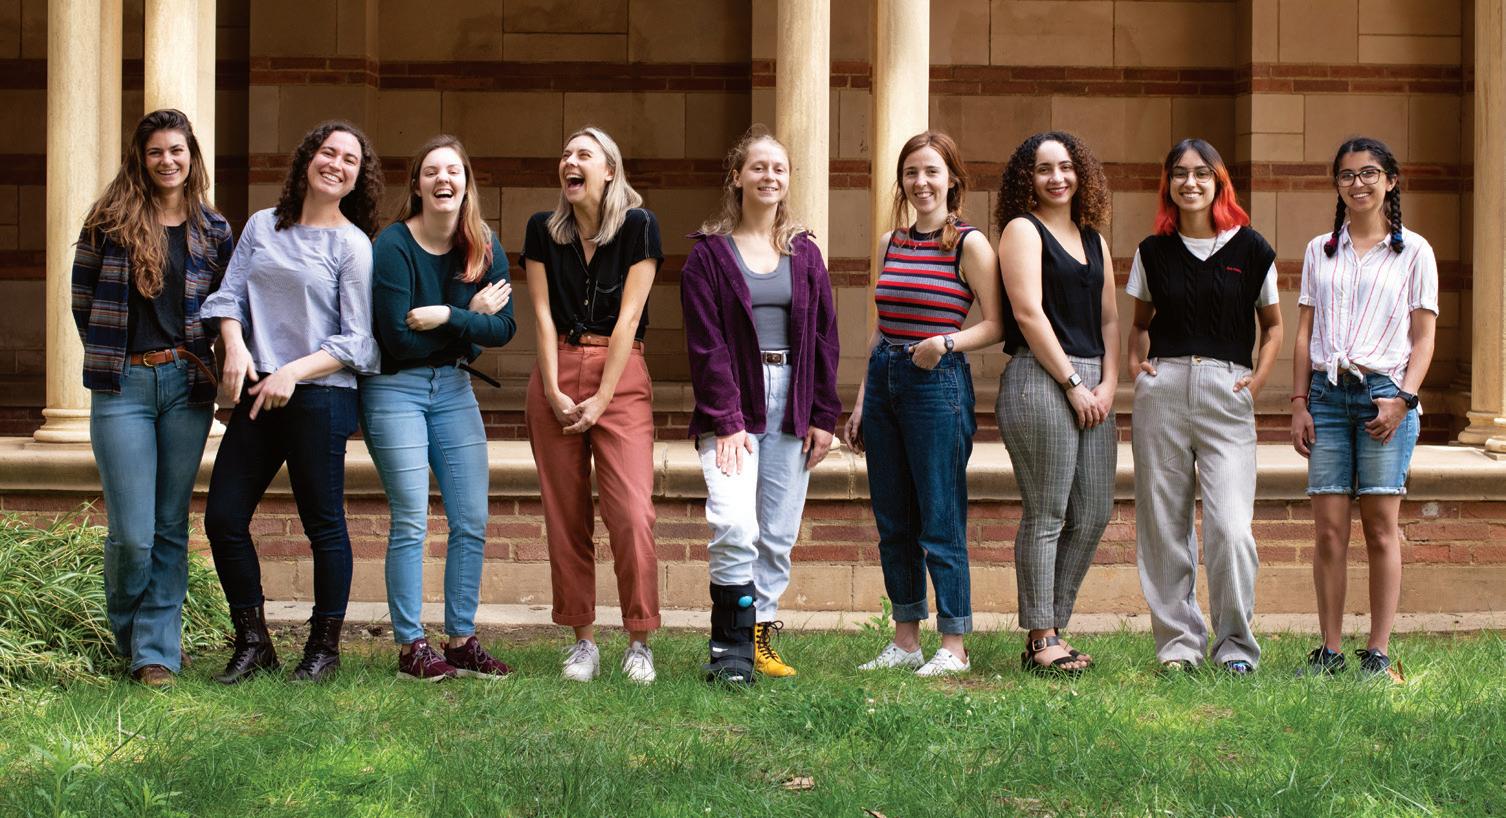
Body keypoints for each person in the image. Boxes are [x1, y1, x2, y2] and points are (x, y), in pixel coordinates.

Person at [201, 121, 382, 684]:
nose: (336, 164)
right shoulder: (262, 225)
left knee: (323, 525)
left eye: (349, 160)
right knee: (223, 517)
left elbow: (359, 341)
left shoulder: (352, 245)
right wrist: (235, 344)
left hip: (321, 398)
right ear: (307, 159)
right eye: (328, 152)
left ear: (357, 178)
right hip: (259, 392)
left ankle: (323, 650)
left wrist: (292, 372)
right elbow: (229, 296)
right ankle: (254, 642)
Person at [72, 109, 233, 687]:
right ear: (141, 159)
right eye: (156, 151)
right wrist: (110, 355)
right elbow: (82, 300)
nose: (168, 160)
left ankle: (155, 652)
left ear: (192, 156)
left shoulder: (213, 230)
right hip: (125, 387)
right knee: (133, 534)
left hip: (186, 386)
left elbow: (225, 306)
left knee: (170, 525)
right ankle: (132, 635)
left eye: (177, 150)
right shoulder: (109, 220)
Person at [681, 127, 840, 684]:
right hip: (734, 400)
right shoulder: (708, 257)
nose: (769, 176)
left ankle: (760, 638)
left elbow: (824, 338)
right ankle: (729, 649)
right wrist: (726, 420)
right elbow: (706, 346)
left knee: (777, 534)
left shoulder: (805, 254)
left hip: (793, 398)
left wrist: (823, 415)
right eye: (758, 166)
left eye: (779, 168)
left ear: (788, 181)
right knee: (733, 522)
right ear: (737, 177)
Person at [845, 131, 1003, 678]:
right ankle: (906, 639)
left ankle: (954, 645)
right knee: (893, 519)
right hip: (885, 380)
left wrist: (946, 343)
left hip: (937, 385)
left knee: (939, 517)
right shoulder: (891, 242)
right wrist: (863, 399)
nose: (921, 182)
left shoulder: (969, 245)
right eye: (911, 172)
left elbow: (997, 323)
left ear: (952, 179)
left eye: (932, 171)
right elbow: (880, 325)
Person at [364, 135, 517, 682]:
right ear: (417, 185)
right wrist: (470, 317)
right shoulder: (393, 246)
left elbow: (504, 327)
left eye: (453, 170)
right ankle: (411, 647)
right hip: (395, 390)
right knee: (410, 518)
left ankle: (460, 641)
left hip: (453, 389)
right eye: (431, 171)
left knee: (471, 518)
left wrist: (450, 315)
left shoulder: (484, 245)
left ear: (466, 183)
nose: (443, 179)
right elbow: (398, 340)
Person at [1128, 138, 1282, 675]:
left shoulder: (1252, 249)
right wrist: (1137, 366)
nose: (1189, 182)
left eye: (1200, 173)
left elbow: (1274, 326)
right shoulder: (1152, 251)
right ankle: (1179, 646)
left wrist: (1257, 380)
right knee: (1163, 526)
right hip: (1163, 391)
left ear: (1219, 181)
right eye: (1179, 173)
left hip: (1227, 393)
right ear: (1168, 183)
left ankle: (1236, 647)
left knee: (1231, 528)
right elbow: (1139, 323)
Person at [1291, 137, 1437, 680]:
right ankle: (1329, 651)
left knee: (1379, 527)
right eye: (1348, 175)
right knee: (1329, 530)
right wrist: (1299, 402)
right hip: (1327, 397)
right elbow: (1304, 333)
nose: (1358, 183)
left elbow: (1424, 337)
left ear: (1390, 181)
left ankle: (1376, 652)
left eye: (1369, 173)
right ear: (1337, 185)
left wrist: (1404, 399)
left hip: (1385, 395)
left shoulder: (1414, 251)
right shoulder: (1320, 249)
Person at [523, 126, 663, 684]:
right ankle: (583, 641)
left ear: (609, 170)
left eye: (584, 154)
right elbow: (542, 315)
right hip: (555, 367)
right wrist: (551, 387)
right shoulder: (542, 230)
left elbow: (629, 318)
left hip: (619, 372)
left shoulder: (639, 226)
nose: (570, 161)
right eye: (565, 154)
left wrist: (602, 396)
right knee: (566, 514)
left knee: (632, 512)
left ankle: (639, 642)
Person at [994, 131, 1119, 677]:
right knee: (1047, 512)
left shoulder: (1094, 239)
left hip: (1093, 381)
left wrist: (1109, 384)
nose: (1057, 177)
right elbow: (1027, 313)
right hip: (1042, 376)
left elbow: (1110, 318)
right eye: (1044, 169)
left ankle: (1053, 627)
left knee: (1092, 512)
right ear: (1028, 178)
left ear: (1080, 172)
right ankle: (1040, 636)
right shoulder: (1023, 230)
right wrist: (1071, 382)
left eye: (1066, 166)